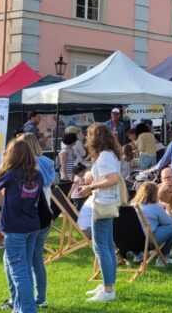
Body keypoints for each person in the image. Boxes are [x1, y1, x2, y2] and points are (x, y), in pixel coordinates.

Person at [0, 140, 50, 313]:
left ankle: (27, 309)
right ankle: (19, 307)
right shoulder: (37, 174)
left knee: (18, 271)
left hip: (15, 228)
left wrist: (3, 163)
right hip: (32, 225)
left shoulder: (10, 174)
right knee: (24, 267)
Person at [76, 123, 124, 302]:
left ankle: (108, 289)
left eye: (89, 136)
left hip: (103, 203)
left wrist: (91, 186)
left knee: (101, 247)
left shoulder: (104, 156)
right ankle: (107, 285)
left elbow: (112, 179)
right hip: (108, 203)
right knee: (107, 246)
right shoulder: (109, 154)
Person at [15, 133, 56, 310]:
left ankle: (25, 299)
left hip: (32, 216)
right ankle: (40, 297)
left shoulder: (31, 167)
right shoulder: (47, 163)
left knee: (24, 263)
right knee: (36, 260)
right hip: (47, 215)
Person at [129, 182, 172, 266]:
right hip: (147, 242)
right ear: (155, 194)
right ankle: (163, 257)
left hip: (130, 241)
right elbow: (169, 222)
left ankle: (138, 255)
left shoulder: (131, 206)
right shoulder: (155, 206)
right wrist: (168, 210)